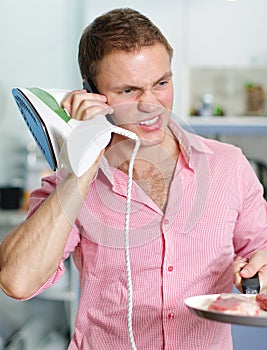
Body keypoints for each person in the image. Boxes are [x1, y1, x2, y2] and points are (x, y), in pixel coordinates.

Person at [1, 7, 267, 350]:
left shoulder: (228, 165)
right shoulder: (70, 179)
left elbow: (261, 249)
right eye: (129, 91)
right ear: (91, 92)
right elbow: (17, 282)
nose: (151, 104)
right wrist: (82, 164)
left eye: (161, 83)